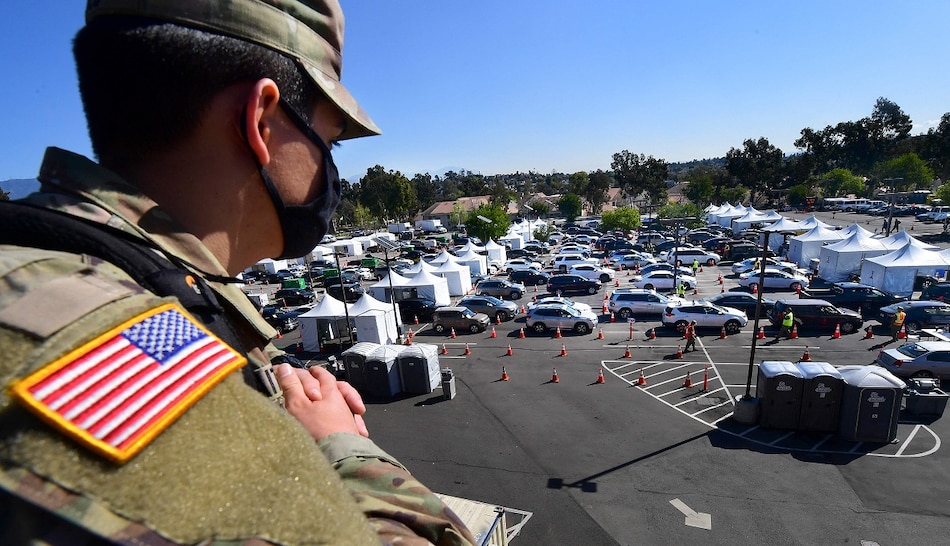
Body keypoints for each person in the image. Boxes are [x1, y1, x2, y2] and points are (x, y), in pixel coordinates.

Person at [0, 2, 475, 545]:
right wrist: (340, 447)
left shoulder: (57, 268)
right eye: (330, 141)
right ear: (262, 121)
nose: (330, 168)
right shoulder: (139, 367)